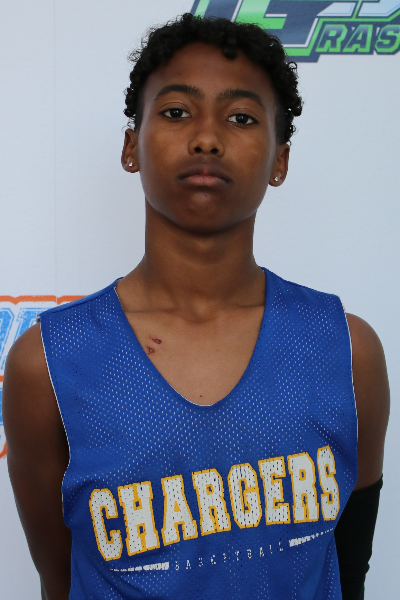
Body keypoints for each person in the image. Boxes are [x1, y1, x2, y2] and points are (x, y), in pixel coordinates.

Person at [3, 13, 389, 600]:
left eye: (241, 118)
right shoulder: (47, 365)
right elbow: (60, 580)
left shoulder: (347, 350)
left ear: (279, 161)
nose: (207, 138)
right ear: (131, 146)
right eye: (177, 111)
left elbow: (349, 568)